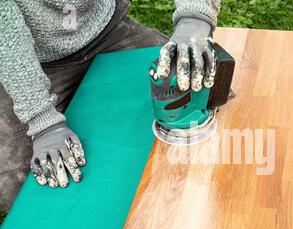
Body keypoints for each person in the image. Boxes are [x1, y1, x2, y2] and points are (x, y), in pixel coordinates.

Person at [0, 0, 221, 211]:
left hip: (104, 32)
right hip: (33, 59)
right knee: (17, 182)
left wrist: (194, 19)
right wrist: (42, 121)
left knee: (207, 90)